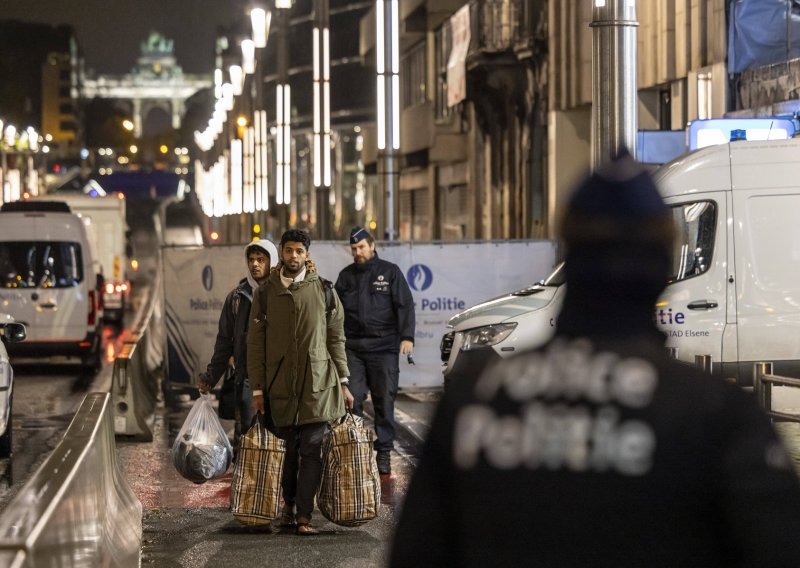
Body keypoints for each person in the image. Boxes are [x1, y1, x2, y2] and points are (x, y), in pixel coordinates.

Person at [390, 153, 800, 567]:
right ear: (662, 263)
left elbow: (416, 552)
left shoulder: (475, 402)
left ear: (571, 253)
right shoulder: (714, 413)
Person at [247, 229, 353, 536]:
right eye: (288, 250)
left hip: (317, 384)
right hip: (279, 386)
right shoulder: (265, 293)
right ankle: (289, 504)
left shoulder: (324, 290)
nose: (293, 256)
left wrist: (344, 382)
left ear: (307, 254)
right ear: (281, 252)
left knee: (312, 449)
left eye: (299, 251)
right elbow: (255, 345)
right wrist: (257, 388)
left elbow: (336, 338)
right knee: (288, 452)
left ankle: (304, 515)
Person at [335, 226, 415, 475]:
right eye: (354, 249)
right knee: (352, 400)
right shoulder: (346, 276)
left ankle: (383, 453)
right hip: (354, 349)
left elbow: (405, 305)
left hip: (384, 348)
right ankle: (357, 449)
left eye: (361, 247)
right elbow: (335, 312)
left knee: (384, 400)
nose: (357, 252)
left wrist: (407, 337)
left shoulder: (390, 272)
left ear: (372, 246)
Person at [198, 239, 278, 450]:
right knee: (249, 433)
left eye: (261, 260)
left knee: (279, 434)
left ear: (272, 261)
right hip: (247, 376)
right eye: (251, 260)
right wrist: (211, 376)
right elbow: (224, 341)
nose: (255, 265)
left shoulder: (283, 293)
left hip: (279, 376)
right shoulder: (236, 298)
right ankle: (247, 476)